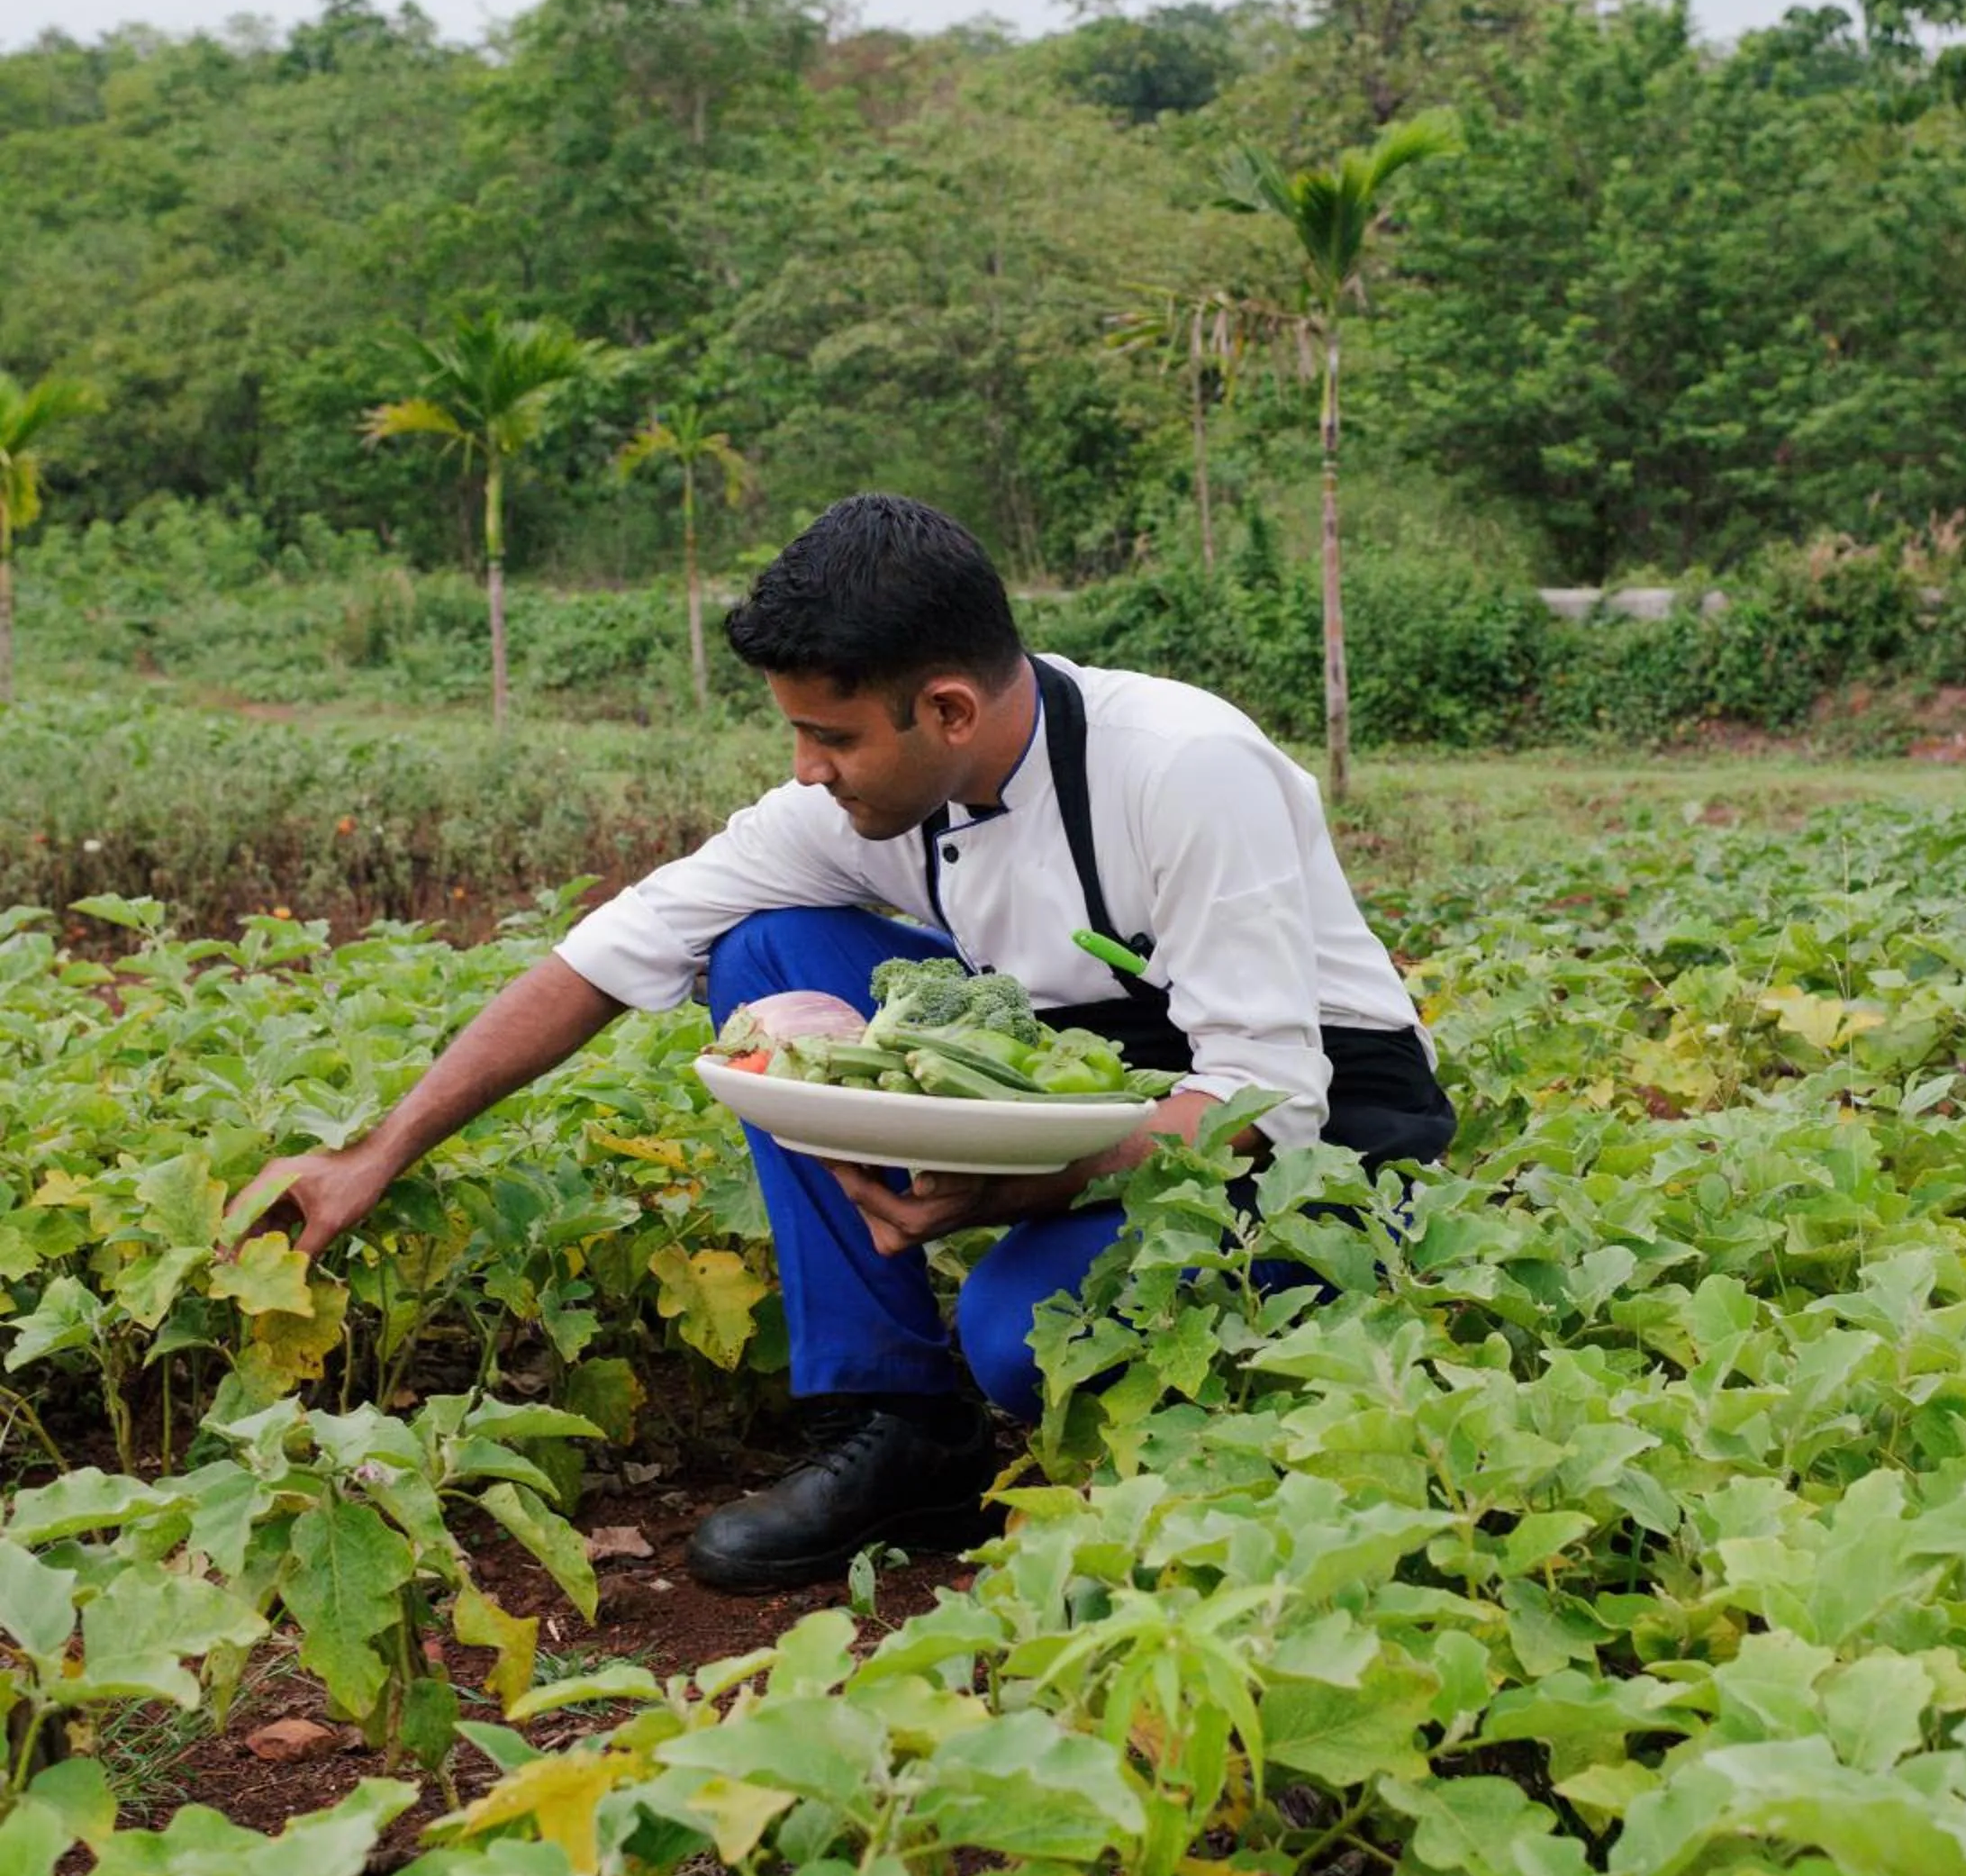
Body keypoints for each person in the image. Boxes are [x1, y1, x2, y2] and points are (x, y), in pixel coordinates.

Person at [238, 494, 1454, 1591]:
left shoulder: (1184, 768)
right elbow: (610, 951)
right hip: (1089, 1101)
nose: (807, 768)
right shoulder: (877, 797)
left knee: (1022, 1339)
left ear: (948, 708)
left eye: (832, 736)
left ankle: (1256, 1403)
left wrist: (1010, 1192)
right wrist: (376, 1153)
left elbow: (1264, 1102)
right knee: (767, 950)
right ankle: (898, 1425)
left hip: (1317, 1146)